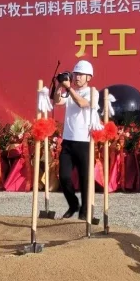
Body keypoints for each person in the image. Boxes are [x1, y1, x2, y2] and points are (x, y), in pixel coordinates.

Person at [54, 60, 98, 220]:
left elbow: (81, 103)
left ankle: (85, 212)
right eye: (75, 74)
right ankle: (73, 204)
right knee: (64, 176)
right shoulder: (68, 92)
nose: (77, 77)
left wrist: (68, 87)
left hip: (84, 142)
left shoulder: (93, 92)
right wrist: (59, 86)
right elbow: (58, 101)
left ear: (89, 77)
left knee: (85, 178)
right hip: (68, 140)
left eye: (81, 74)